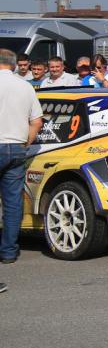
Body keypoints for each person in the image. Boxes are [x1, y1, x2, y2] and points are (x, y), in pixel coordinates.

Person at [0, 49, 44, 268]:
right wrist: (25, 142)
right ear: (15, 64)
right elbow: (37, 120)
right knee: (12, 203)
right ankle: (8, 251)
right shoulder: (25, 86)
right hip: (16, 147)